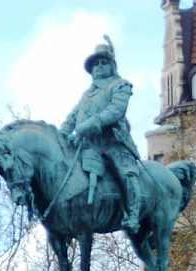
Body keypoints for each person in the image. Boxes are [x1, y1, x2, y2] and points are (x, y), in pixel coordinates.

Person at [60, 35, 141, 233]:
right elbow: (72, 117)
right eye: (95, 64)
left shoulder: (121, 85)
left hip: (113, 143)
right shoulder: (86, 95)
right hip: (88, 146)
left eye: (104, 62)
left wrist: (86, 126)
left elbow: (115, 111)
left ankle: (133, 214)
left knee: (126, 174)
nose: (99, 67)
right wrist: (60, 136)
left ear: (112, 66)